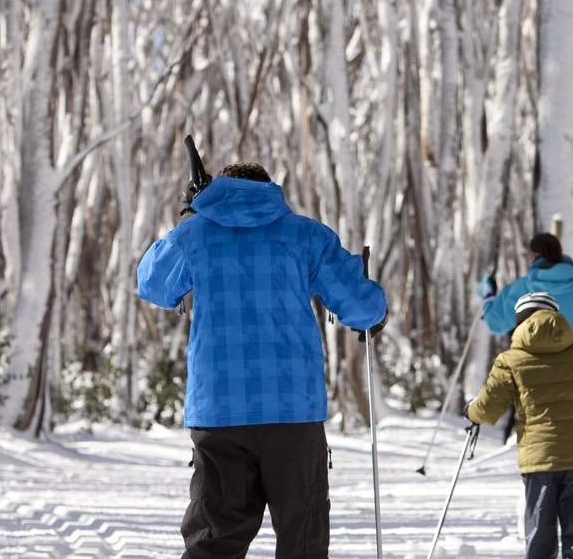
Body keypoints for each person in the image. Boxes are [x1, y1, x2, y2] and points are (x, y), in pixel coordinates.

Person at [137, 161, 386, 559]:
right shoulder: (306, 235)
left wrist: (190, 216)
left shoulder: (194, 234)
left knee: (214, 538)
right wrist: (375, 309)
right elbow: (362, 308)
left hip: (218, 412)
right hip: (292, 414)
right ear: (270, 189)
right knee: (302, 538)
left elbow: (151, 284)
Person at [467, 292, 573, 559]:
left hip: (538, 462)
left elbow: (487, 408)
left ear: (519, 322)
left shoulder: (510, 361)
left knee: (540, 534)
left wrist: (470, 412)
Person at [477, 233, 573, 355]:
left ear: (535, 256)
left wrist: (489, 296)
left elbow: (495, 322)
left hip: (541, 381)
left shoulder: (523, 287)